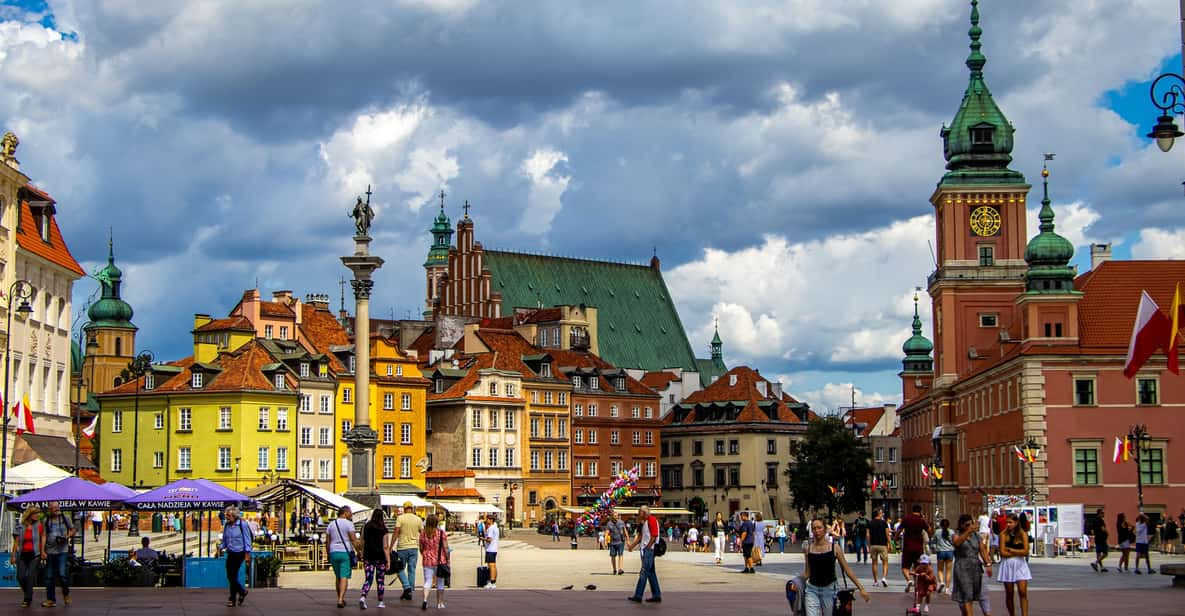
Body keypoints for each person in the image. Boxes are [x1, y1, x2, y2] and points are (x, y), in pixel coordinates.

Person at [802, 518, 869, 616]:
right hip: (812, 590)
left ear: (825, 529)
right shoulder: (808, 549)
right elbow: (807, 572)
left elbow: (847, 569)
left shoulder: (834, 548)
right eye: (814, 528)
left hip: (829, 590)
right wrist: (796, 582)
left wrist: (861, 588)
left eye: (819, 528)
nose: (816, 531)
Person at [951, 514, 992, 616]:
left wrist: (988, 563)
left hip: (975, 567)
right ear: (961, 525)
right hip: (962, 567)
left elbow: (982, 550)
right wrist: (967, 532)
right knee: (966, 594)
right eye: (967, 525)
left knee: (978, 593)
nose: (969, 526)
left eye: (971, 524)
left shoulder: (976, 535)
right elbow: (957, 543)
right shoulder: (956, 534)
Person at [10, 506, 46, 609]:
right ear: (29, 515)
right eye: (35, 513)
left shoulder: (39, 525)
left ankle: (27, 599)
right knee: (20, 577)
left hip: (35, 554)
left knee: (30, 576)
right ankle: (28, 592)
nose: (37, 515)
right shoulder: (20, 526)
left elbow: (43, 537)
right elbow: (16, 542)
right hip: (22, 555)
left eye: (38, 513)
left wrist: (43, 551)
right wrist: (13, 556)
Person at [217, 505, 253, 608]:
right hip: (231, 552)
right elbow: (225, 540)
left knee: (232, 575)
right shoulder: (227, 525)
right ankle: (241, 592)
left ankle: (233, 598)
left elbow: (247, 540)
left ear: (234, 515)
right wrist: (220, 548)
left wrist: (247, 554)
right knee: (231, 576)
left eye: (228, 515)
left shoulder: (242, 524)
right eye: (226, 515)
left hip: (240, 553)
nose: (226, 517)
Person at [626, 505, 662, 604]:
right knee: (651, 573)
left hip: (648, 550)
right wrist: (632, 546)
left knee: (644, 572)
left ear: (644, 513)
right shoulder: (645, 522)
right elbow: (642, 537)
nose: (638, 514)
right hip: (647, 549)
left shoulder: (652, 520)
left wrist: (648, 546)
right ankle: (656, 595)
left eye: (639, 512)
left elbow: (654, 535)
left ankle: (638, 595)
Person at [41, 501, 74, 608]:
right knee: (49, 577)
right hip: (50, 551)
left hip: (62, 551)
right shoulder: (46, 520)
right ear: (49, 509)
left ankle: (66, 593)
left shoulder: (65, 518)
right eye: (54, 508)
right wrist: (42, 550)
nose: (56, 509)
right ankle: (51, 599)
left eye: (57, 507)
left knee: (62, 574)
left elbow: (73, 530)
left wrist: (67, 536)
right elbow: (44, 535)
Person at [998, 513, 1031, 616]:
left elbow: (1026, 551)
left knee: (1022, 591)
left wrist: (1012, 550)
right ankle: (1012, 614)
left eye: (1010, 522)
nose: (1008, 524)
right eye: (1007, 522)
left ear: (1016, 523)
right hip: (1007, 565)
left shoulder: (1023, 534)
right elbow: (1002, 552)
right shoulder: (1003, 534)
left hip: (1020, 564)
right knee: (1009, 592)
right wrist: (1018, 551)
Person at [325, 505, 357, 609]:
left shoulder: (331, 524)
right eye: (350, 512)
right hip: (345, 552)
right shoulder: (349, 524)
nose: (351, 514)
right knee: (344, 577)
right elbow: (353, 539)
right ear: (345, 512)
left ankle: (340, 598)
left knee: (338, 576)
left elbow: (327, 541)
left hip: (334, 552)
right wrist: (359, 550)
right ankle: (340, 599)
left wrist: (328, 553)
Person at [358, 509, 391, 609]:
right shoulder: (383, 529)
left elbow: (362, 541)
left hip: (368, 556)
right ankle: (380, 602)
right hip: (380, 557)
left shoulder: (366, 526)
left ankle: (363, 597)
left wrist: (362, 554)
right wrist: (388, 560)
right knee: (380, 579)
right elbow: (385, 546)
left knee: (368, 578)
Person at [393, 502, 424, 600]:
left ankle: (406, 586)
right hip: (414, 547)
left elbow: (396, 531)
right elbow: (422, 534)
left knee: (399, 568)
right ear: (412, 508)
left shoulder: (400, 518)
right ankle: (409, 591)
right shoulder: (418, 519)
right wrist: (423, 546)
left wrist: (390, 545)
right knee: (412, 570)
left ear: (404, 508)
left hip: (402, 547)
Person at [419, 513, 450, 610]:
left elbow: (420, 548)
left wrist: (425, 554)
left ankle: (425, 600)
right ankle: (440, 603)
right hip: (439, 560)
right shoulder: (441, 533)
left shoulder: (423, 533)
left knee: (427, 581)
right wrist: (448, 558)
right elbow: (445, 547)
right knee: (440, 582)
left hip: (427, 560)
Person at [898, 504, 931, 592]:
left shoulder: (906, 518)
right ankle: (917, 585)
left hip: (908, 546)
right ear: (920, 511)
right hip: (918, 547)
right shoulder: (921, 520)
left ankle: (909, 580)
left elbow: (899, 530)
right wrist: (924, 519)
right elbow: (929, 530)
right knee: (917, 567)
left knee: (905, 567)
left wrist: (896, 537)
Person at [867, 508, 891, 587]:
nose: (882, 514)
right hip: (882, 545)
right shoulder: (884, 523)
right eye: (881, 513)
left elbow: (868, 535)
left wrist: (869, 545)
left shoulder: (870, 523)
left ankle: (875, 581)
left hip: (873, 545)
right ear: (878, 514)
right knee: (885, 562)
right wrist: (889, 544)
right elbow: (887, 534)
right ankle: (884, 577)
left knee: (874, 563)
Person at [933, 518, 955, 594]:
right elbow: (954, 542)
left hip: (940, 552)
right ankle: (947, 589)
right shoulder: (951, 532)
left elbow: (934, 541)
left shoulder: (937, 532)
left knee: (940, 570)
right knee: (948, 571)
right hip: (950, 552)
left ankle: (941, 582)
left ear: (940, 525)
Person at [483, 514, 500, 589]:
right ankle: (493, 580)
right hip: (494, 548)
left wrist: (482, 539)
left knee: (491, 566)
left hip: (490, 549)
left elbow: (489, 539)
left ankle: (492, 582)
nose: (486, 521)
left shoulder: (491, 528)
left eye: (487, 519)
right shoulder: (496, 527)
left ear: (491, 520)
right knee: (493, 565)